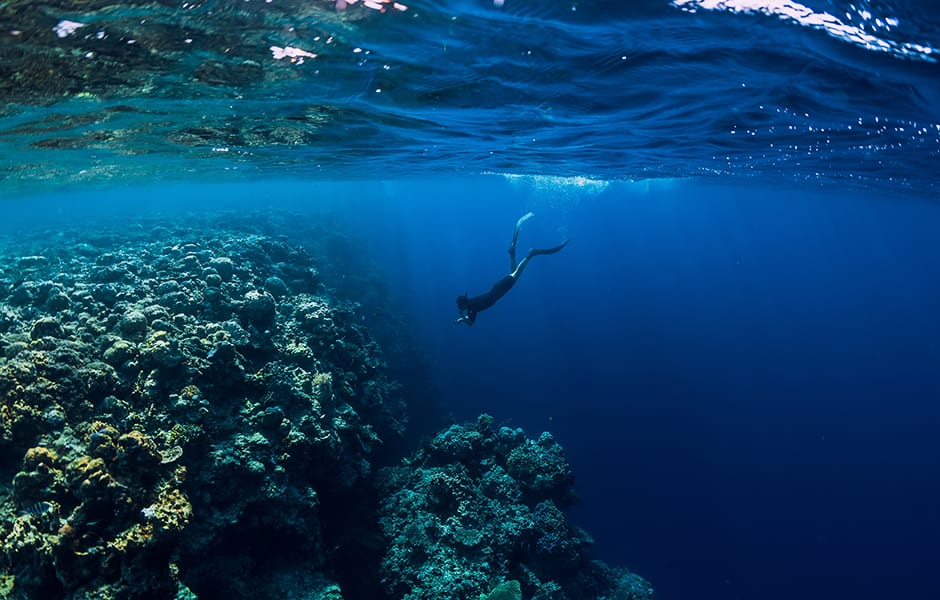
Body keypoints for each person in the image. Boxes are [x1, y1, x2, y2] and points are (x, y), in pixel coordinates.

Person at [454, 212, 569, 326]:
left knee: (516, 274)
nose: (460, 309)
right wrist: (461, 319)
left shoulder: (471, 309)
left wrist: (462, 317)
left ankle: (531, 254)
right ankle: (512, 254)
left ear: (463, 305)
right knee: (513, 271)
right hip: (497, 288)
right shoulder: (470, 305)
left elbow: (470, 323)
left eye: (460, 307)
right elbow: (469, 316)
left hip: (500, 290)